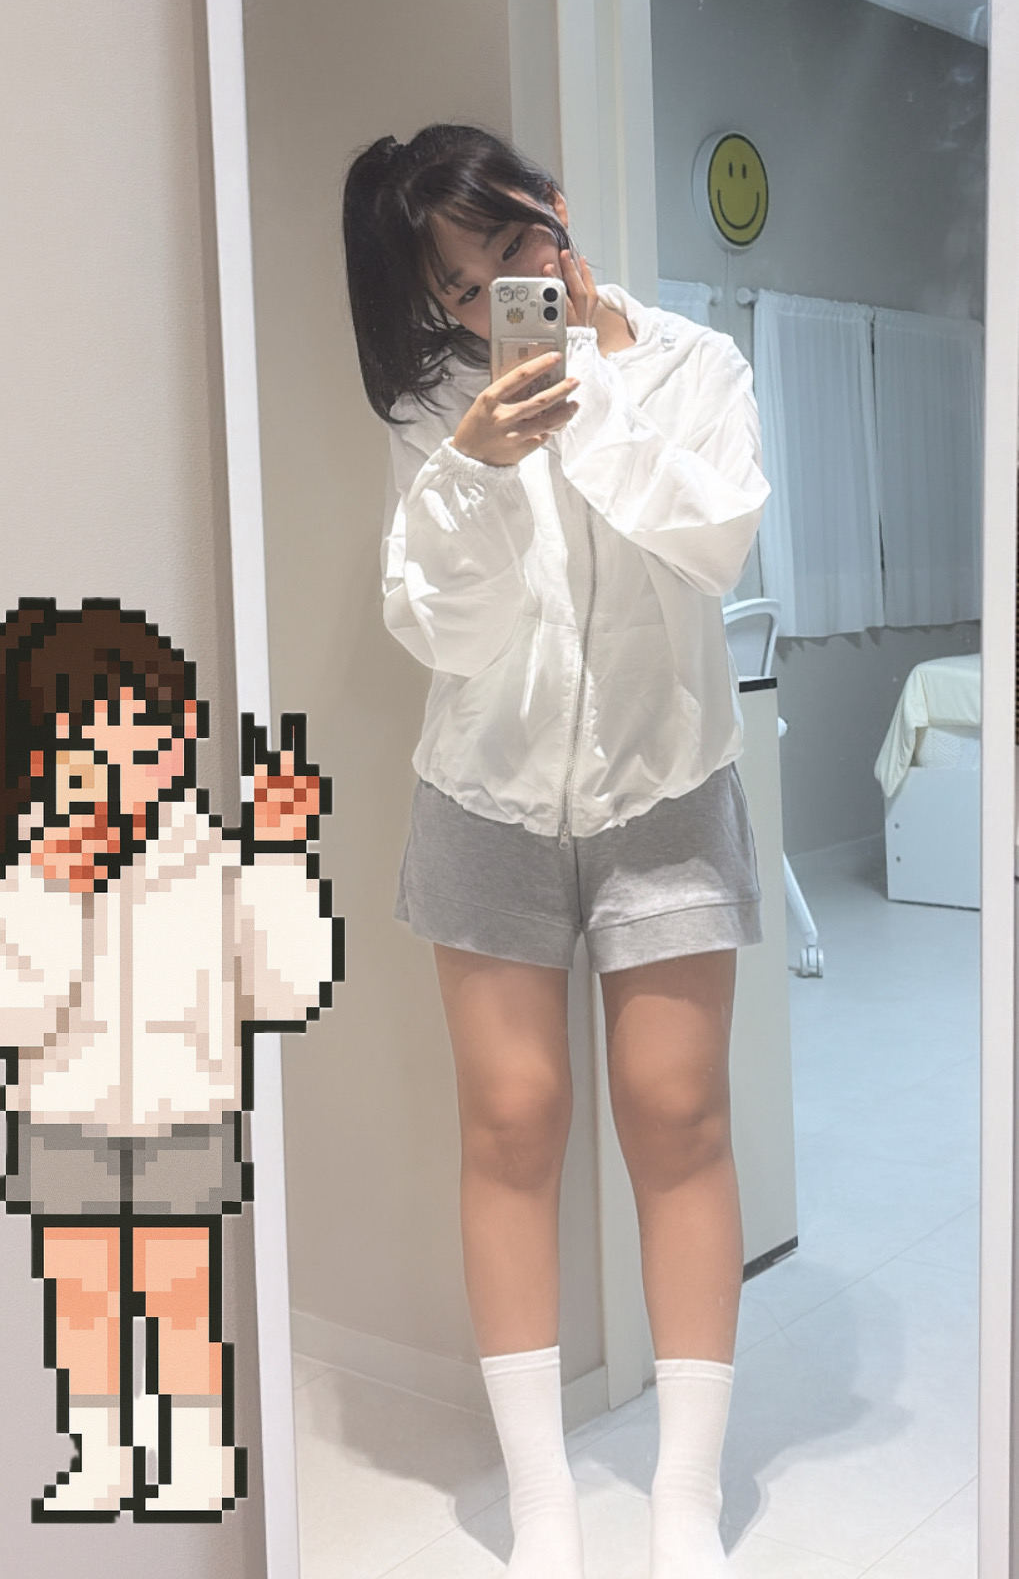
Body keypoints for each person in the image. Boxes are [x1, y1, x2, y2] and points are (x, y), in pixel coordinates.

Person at [341, 126, 770, 1579]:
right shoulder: (434, 409)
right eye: (460, 289)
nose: (493, 301)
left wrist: (595, 406)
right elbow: (438, 630)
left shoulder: (692, 363)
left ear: (557, 215)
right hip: (486, 794)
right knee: (512, 1123)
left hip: (667, 781)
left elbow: (716, 543)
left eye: (513, 252)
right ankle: (541, 1507)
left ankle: (685, 1501)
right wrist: (472, 468)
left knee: (678, 1114)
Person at [0, 598, 340, 1522]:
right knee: (82, 1295)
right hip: (61, 1116)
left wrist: (283, 859)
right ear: (44, 756)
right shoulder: (30, 872)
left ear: (179, 731)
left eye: (146, 730)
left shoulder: (212, 862)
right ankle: (101, 1453)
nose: (125, 758)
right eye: (94, 738)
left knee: (179, 1289)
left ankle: (195, 1453)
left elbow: (286, 991)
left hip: (186, 1112)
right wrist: (55, 889)